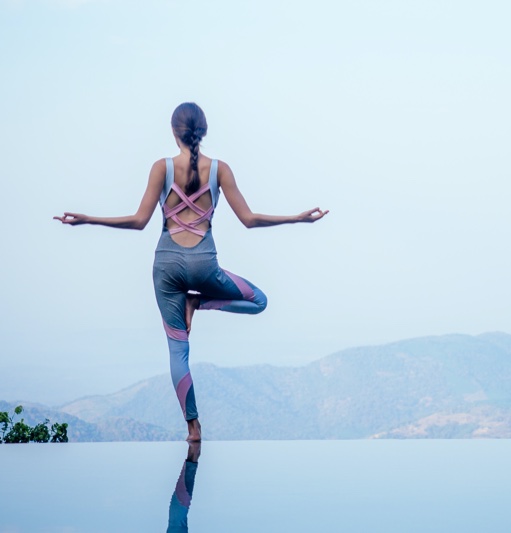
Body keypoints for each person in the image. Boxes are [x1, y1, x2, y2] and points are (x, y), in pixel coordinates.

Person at [54, 102, 327, 442]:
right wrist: (295, 218)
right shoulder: (220, 170)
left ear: (173, 131)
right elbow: (249, 220)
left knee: (177, 349)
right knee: (259, 301)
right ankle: (198, 304)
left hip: (166, 266)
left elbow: (139, 222)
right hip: (204, 265)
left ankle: (193, 427)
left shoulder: (161, 168)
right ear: (204, 131)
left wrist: (89, 219)